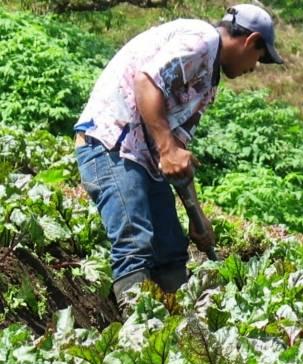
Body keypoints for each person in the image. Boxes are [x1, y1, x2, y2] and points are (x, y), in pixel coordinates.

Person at [74, 4, 283, 315]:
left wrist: (197, 218)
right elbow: (146, 81)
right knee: (135, 243)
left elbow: (178, 153)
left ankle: (180, 333)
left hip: (142, 156)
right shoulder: (201, 40)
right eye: (260, 57)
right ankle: (139, 334)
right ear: (250, 41)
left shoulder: (208, 83)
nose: (255, 67)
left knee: (171, 250)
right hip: (110, 143)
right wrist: (167, 149)